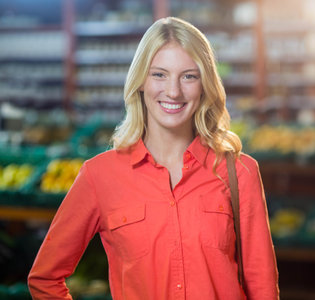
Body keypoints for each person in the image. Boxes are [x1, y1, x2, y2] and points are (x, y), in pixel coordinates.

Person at [28, 17, 279, 300]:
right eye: (159, 74)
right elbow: (45, 279)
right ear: (140, 82)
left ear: (205, 85)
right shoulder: (100, 176)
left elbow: (263, 288)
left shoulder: (239, 171)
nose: (173, 91)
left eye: (189, 76)